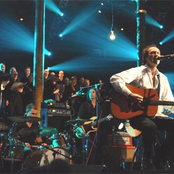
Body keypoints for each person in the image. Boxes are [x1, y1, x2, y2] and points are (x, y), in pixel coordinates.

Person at [110, 44, 174, 171]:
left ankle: (160, 158)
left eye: (157, 53)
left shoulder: (163, 78)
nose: (156, 55)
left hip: (156, 115)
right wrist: (130, 94)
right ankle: (147, 160)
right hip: (136, 115)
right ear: (146, 57)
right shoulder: (138, 72)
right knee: (149, 126)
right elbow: (115, 78)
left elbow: (169, 102)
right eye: (152, 53)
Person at [76, 88, 112, 165]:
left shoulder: (100, 106)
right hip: (88, 130)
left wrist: (106, 118)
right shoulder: (85, 105)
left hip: (98, 130)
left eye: (93, 92)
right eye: (89, 93)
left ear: (96, 94)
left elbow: (101, 118)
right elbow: (79, 119)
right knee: (90, 149)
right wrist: (82, 129)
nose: (91, 94)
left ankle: (98, 164)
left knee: (99, 148)